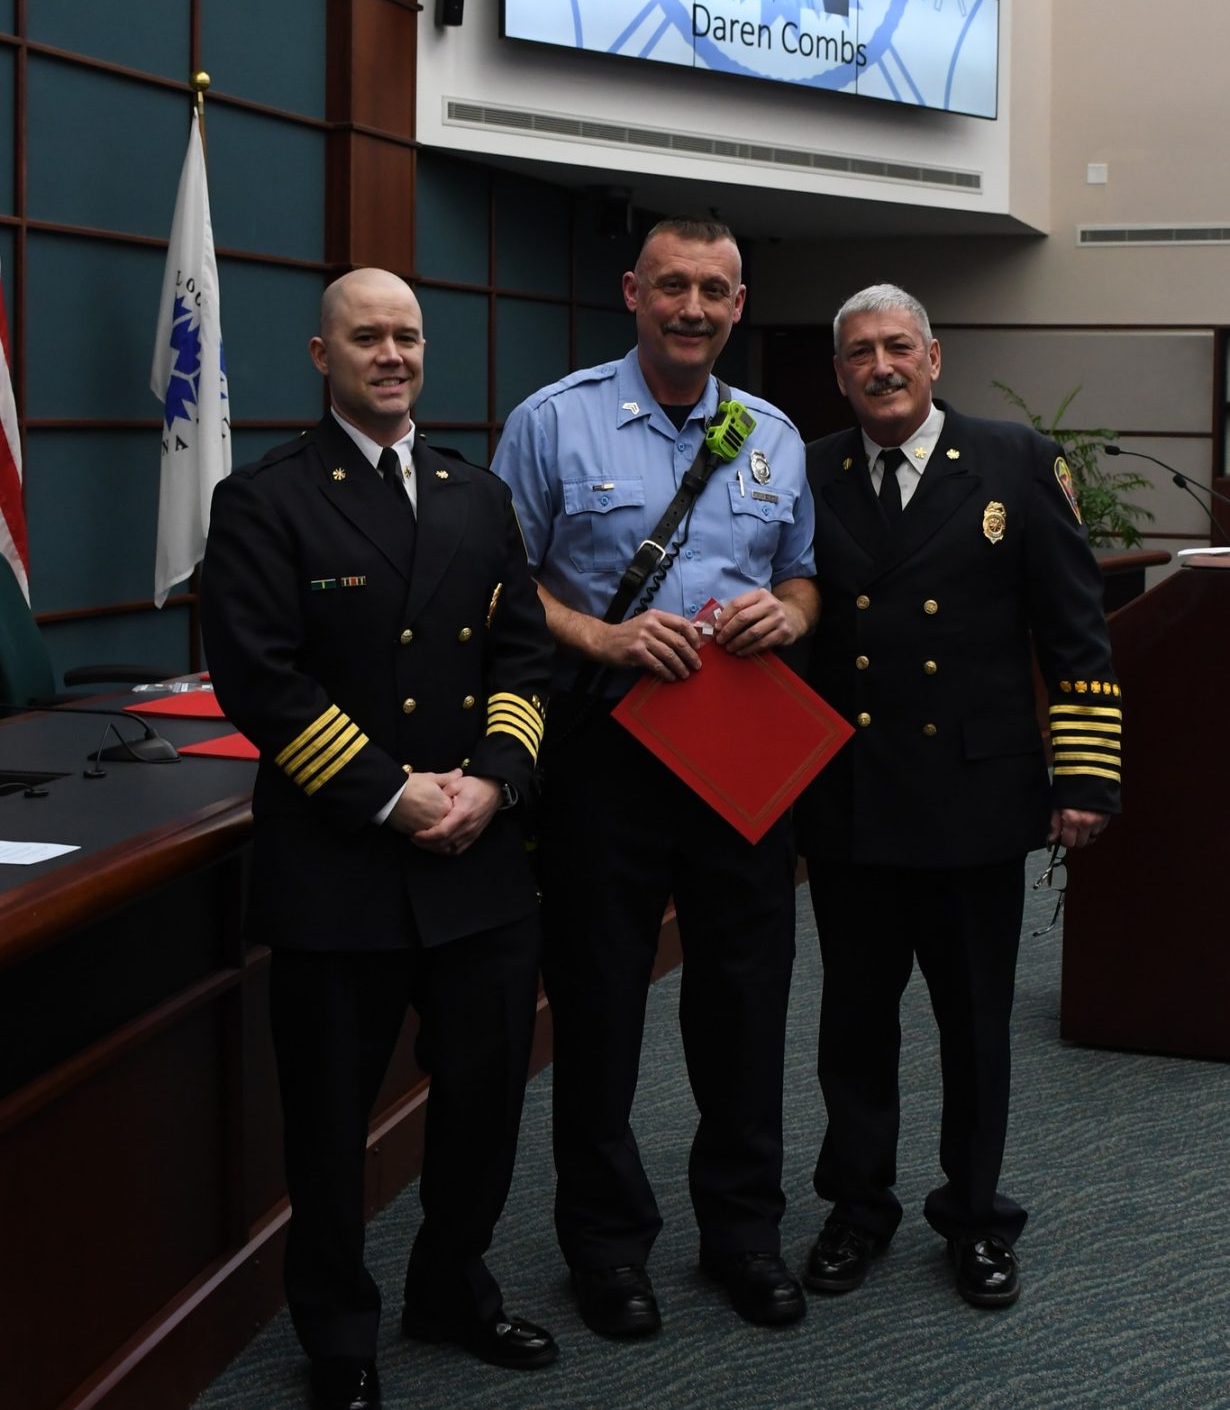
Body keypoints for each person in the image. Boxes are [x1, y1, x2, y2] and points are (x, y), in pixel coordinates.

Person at [201, 269, 557, 1410]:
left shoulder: (477, 495)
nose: (391, 354)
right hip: (340, 864)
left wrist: (495, 780)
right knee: (327, 1125)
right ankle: (339, 1335)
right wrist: (392, 794)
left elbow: (523, 656)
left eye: (407, 335)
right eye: (367, 337)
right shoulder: (265, 501)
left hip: (477, 859)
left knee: (485, 1100)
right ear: (323, 355)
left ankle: (451, 1286)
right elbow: (262, 681)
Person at [492, 218, 819, 1338]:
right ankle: (606, 1247)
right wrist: (603, 636)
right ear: (633, 291)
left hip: (739, 751)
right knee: (599, 1006)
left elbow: (804, 576)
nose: (693, 307)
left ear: (738, 305)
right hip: (607, 754)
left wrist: (791, 614)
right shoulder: (554, 420)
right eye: (673, 285)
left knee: (747, 1000)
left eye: (714, 290)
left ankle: (744, 1234)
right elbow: (502, 583)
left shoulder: (772, 433)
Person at [796, 283, 1122, 1311]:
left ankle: (977, 1216)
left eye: (898, 346)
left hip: (974, 800)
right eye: (860, 353)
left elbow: (1075, 630)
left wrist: (1085, 773)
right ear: (839, 372)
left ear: (934, 358)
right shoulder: (807, 470)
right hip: (852, 801)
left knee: (976, 1027)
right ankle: (858, 1206)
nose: (881, 366)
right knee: (853, 1024)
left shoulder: (1017, 461)